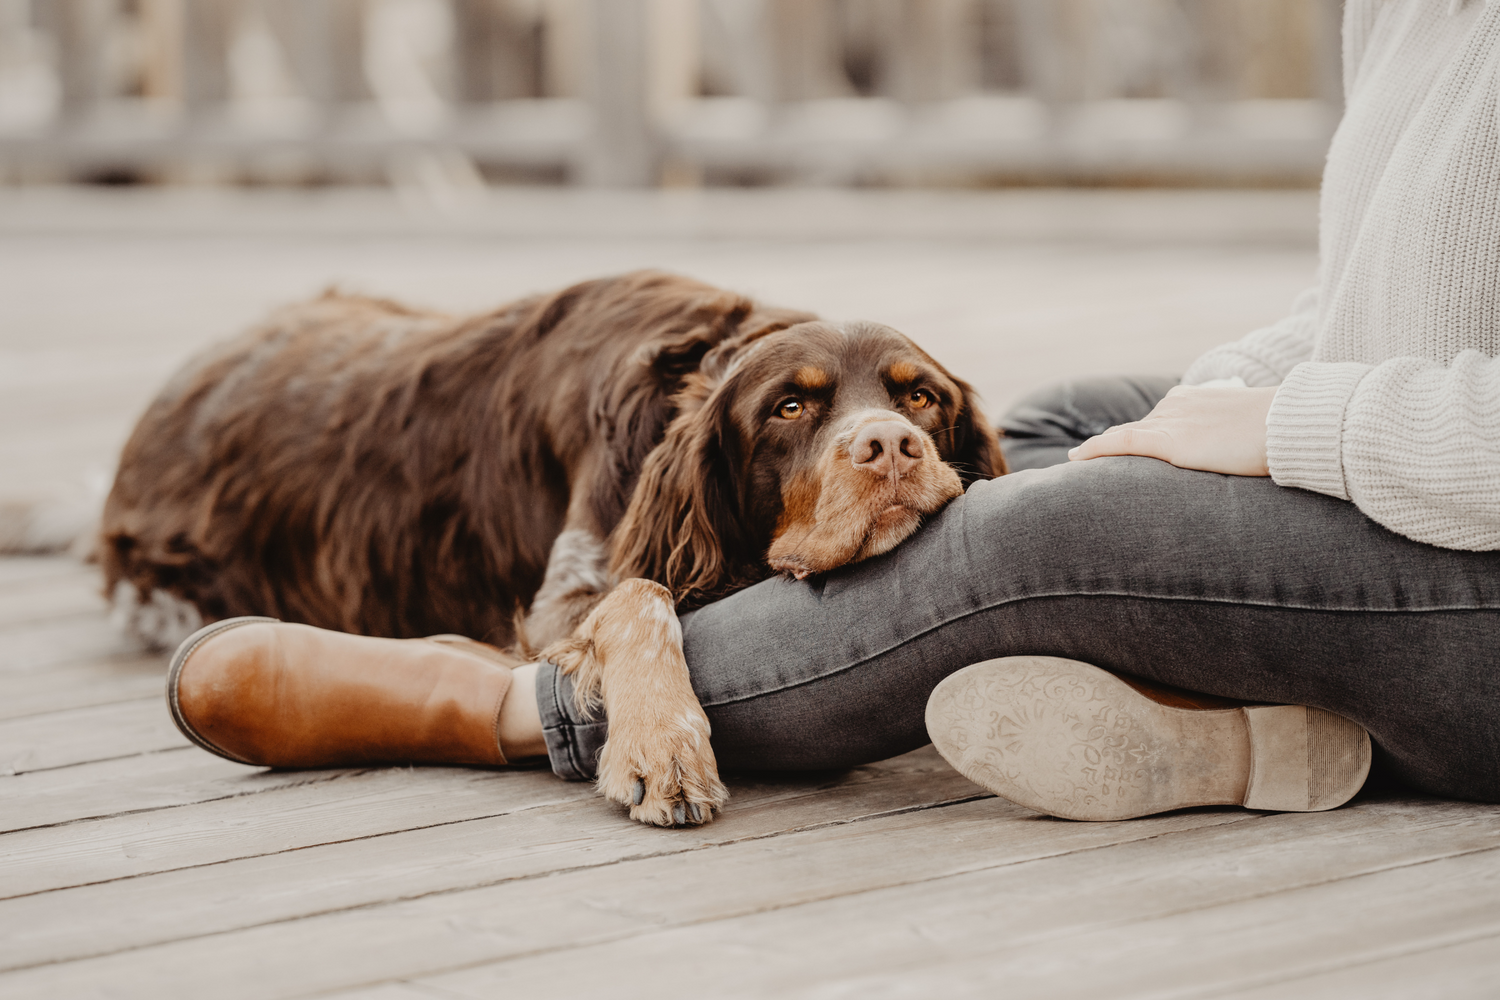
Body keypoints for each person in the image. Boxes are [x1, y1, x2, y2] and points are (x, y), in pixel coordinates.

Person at [166, 0, 1500, 821]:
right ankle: (1244, 735)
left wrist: (1282, 437)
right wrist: (1222, 398)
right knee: (1050, 432)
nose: (885, 430)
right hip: (1422, 465)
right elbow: (1382, 308)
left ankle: (516, 710)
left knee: (1012, 539)